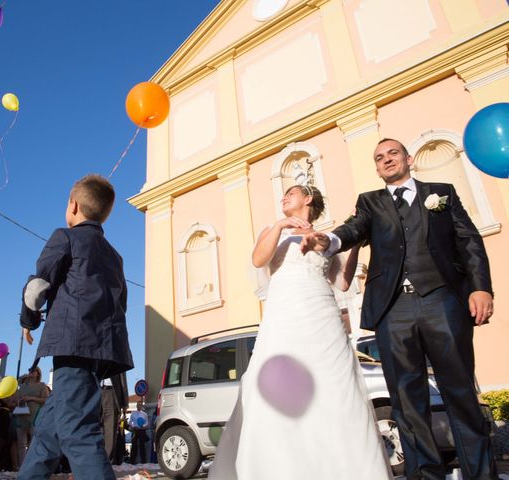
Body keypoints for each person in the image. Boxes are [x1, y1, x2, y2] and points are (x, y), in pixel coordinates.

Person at [302, 138, 497, 479]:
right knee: (406, 403)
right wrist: (330, 241)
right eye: (379, 158)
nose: (386, 160)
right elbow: (353, 229)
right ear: (377, 169)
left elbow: (469, 242)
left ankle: (481, 474)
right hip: (394, 309)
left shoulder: (442, 192)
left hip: (442, 301)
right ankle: (426, 475)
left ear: (408, 159)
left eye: (393, 153)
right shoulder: (370, 202)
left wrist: (481, 288)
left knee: (461, 393)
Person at [208, 184, 392, 479]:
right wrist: (281, 225)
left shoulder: (328, 238)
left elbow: (342, 283)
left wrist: (355, 244)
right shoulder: (273, 230)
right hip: (284, 315)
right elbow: (259, 260)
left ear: (308, 199)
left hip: (322, 313)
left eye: (290, 193)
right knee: (275, 382)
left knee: (332, 383)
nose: (283, 197)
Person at [17, 174, 134, 480]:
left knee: (78, 431)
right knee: (47, 434)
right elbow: (121, 303)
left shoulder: (65, 237)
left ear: (73, 206)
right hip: (100, 350)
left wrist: (27, 320)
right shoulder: (115, 256)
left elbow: (37, 287)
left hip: (72, 344)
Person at [14, 366, 48, 467]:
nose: (31, 372)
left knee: (34, 442)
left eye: (34, 370)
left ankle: (33, 465)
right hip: (21, 414)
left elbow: (46, 400)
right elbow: (15, 399)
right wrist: (20, 401)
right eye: (30, 370)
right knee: (21, 443)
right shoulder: (23, 386)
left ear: (38, 373)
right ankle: (22, 466)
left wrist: (31, 398)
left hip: (35, 415)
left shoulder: (42, 386)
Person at [100, 373, 128, 463]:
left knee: (110, 430)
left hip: (111, 393)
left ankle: (107, 462)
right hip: (96, 391)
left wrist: (125, 403)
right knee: (95, 429)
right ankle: (97, 460)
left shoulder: (117, 358)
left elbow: (123, 381)